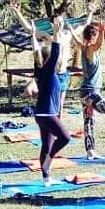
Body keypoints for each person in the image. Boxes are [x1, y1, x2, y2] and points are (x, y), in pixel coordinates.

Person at [31, 16, 72, 187]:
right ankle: (48, 162)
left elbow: (35, 50)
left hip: (43, 113)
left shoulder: (40, 68)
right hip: (46, 113)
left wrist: (33, 35)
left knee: (46, 145)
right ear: (50, 61)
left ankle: (46, 178)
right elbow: (56, 50)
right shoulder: (47, 70)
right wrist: (56, 31)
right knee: (65, 138)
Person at [77, 14, 105, 160]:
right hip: (89, 92)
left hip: (86, 92)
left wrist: (89, 15)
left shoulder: (83, 47)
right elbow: (99, 44)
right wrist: (102, 31)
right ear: (92, 36)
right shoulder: (91, 49)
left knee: (89, 122)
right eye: (96, 34)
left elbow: (80, 36)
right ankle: (90, 151)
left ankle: (90, 152)